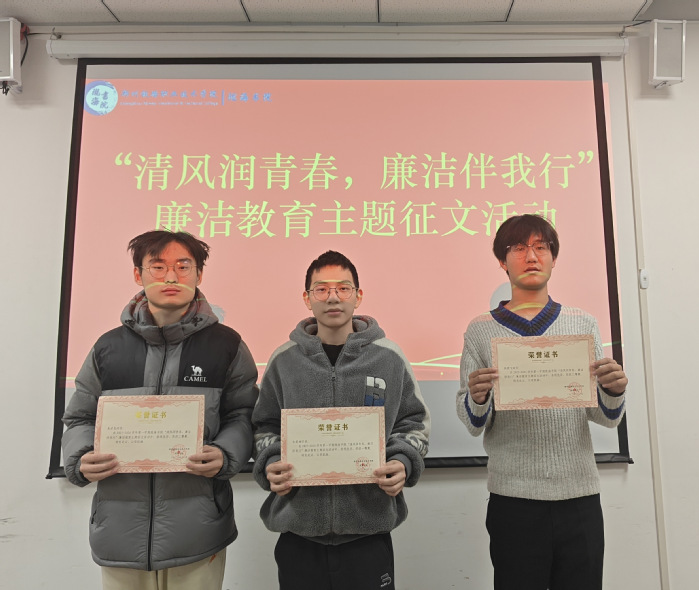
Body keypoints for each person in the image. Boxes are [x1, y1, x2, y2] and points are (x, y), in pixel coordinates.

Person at [62, 230, 258, 589]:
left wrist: (226, 453)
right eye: (158, 266)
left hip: (198, 529)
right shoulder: (108, 347)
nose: (171, 277)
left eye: (183, 267)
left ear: (199, 274)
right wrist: (80, 457)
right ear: (139, 275)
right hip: (119, 529)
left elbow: (242, 415)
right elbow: (80, 417)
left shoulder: (226, 345)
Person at [456, 214, 628, 590]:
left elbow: (604, 416)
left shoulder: (582, 324)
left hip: (579, 495)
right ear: (502, 261)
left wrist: (613, 391)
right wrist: (478, 398)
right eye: (518, 248)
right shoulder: (481, 329)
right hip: (513, 499)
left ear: (553, 257)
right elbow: (470, 421)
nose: (531, 256)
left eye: (540, 247)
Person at [252, 250, 430, 590]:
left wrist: (403, 462)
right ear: (307, 298)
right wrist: (271, 460)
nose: (332, 297)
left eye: (343, 288)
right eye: (321, 289)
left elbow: (414, 422)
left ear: (357, 296)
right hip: (299, 532)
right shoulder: (283, 361)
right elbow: (264, 426)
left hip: (368, 532)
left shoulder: (389, 358)